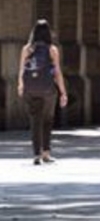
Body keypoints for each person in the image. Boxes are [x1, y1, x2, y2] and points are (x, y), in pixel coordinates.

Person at [18, 19, 68, 164]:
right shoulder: (52, 49)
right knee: (47, 120)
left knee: (35, 121)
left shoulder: (27, 49)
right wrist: (63, 92)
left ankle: (36, 155)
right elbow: (57, 72)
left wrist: (20, 85)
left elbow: (21, 69)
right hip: (48, 90)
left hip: (30, 89)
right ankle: (46, 153)